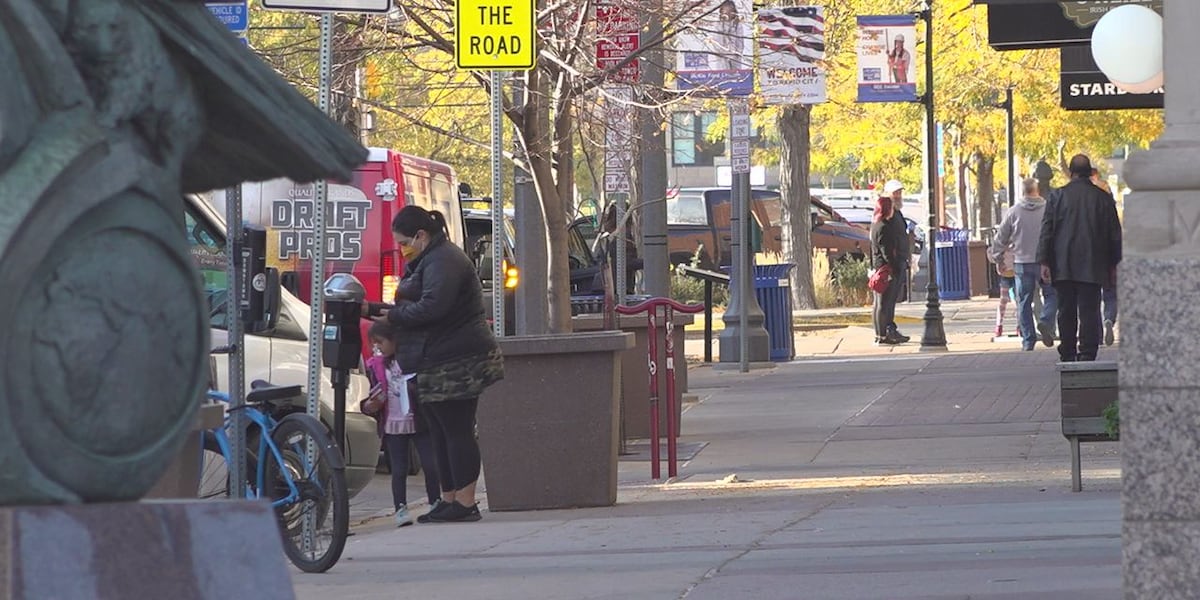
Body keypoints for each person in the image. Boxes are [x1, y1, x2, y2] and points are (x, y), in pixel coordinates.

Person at [364, 205, 504, 523]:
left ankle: (465, 503)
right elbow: (413, 305)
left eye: (404, 242)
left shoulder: (444, 260)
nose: (402, 249)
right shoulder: (427, 260)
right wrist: (373, 309)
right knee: (440, 431)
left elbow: (432, 307)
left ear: (421, 235)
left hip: (458, 360)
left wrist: (395, 316)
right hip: (435, 358)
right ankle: (448, 498)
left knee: (456, 429)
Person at [1036, 155, 1122, 362]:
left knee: (1066, 309)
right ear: (1090, 172)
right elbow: (1114, 234)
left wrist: (1044, 261)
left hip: (1063, 262)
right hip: (1093, 262)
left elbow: (1047, 230)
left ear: (1071, 172)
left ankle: (1067, 350)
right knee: (1089, 309)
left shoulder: (1057, 196)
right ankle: (1087, 351)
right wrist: (1113, 263)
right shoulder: (1103, 198)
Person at [361, 320, 442, 527]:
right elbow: (367, 398)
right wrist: (370, 404)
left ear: (394, 339)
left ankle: (435, 501)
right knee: (398, 469)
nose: (377, 347)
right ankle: (400, 508)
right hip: (393, 423)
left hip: (418, 419)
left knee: (430, 464)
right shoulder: (375, 366)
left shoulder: (412, 360)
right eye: (374, 343)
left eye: (381, 342)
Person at [989, 178, 1059, 351]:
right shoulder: (1049, 209)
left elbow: (1001, 238)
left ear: (1023, 192)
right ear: (1037, 190)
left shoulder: (1014, 212)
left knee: (1024, 302)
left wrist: (998, 257)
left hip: (1021, 263)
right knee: (1052, 295)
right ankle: (1046, 321)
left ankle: (1028, 340)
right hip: (1045, 262)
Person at [870, 194, 910, 345]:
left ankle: (880, 334)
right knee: (883, 303)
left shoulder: (876, 225)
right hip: (885, 269)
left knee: (879, 303)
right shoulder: (883, 227)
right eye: (891, 208)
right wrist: (894, 267)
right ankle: (882, 335)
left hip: (879, 267)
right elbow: (886, 252)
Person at [1090, 169, 1119, 346]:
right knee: (1110, 295)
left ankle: (1098, 334)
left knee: (1092, 298)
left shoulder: (1087, 207)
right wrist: (1117, 261)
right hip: (1108, 257)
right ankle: (1109, 318)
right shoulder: (1109, 208)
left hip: (1090, 258)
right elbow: (1116, 235)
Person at [592, 202, 641, 295]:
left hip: (606, 283)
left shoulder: (606, 233)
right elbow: (626, 262)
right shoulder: (623, 235)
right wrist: (647, 262)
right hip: (619, 285)